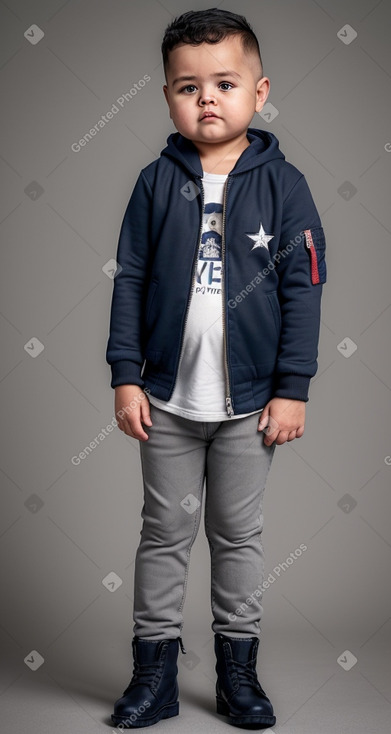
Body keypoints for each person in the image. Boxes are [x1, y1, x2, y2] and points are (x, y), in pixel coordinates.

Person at [106, 7, 326, 729]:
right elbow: (130, 279)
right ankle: (153, 679)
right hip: (167, 398)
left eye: (223, 83)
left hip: (249, 404)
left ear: (257, 93)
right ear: (167, 95)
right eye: (185, 86)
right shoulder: (152, 182)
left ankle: (237, 677)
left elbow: (304, 285)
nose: (205, 98)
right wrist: (125, 374)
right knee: (161, 534)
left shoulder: (283, 184)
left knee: (237, 536)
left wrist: (292, 389)